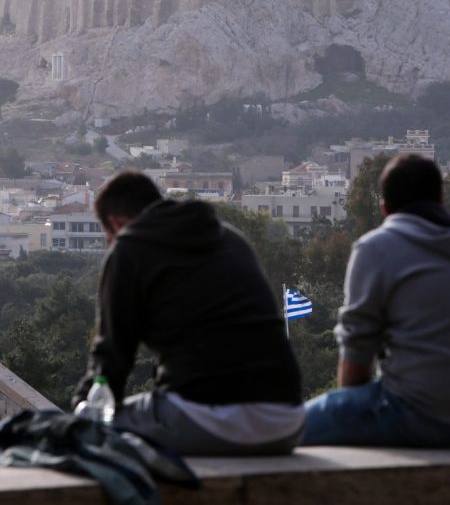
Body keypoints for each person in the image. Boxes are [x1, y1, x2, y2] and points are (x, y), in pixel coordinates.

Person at [73, 170, 304, 455]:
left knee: (89, 430)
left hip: (205, 418)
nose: (110, 244)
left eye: (107, 236)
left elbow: (111, 357)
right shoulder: (230, 237)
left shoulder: (129, 247)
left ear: (116, 223)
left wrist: (80, 411)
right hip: (287, 419)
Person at [301, 154, 450, 447]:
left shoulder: (376, 248)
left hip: (417, 416)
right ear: (441, 197)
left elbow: (357, 351)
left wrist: (350, 418)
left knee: (286, 430)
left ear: (385, 208)